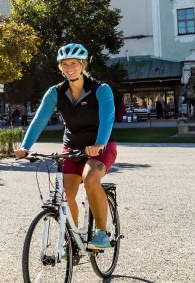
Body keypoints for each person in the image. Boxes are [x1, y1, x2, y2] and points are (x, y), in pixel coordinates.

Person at [15, 43, 118, 252]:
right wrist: (25, 146)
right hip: (72, 146)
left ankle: (101, 231)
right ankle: (71, 235)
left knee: (90, 179)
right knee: (65, 194)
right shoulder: (55, 92)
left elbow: (108, 119)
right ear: (60, 67)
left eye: (74, 63)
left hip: (101, 145)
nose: (69, 67)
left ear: (82, 65)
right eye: (64, 64)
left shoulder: (101, 89)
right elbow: (39, 120)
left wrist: (99, 144)